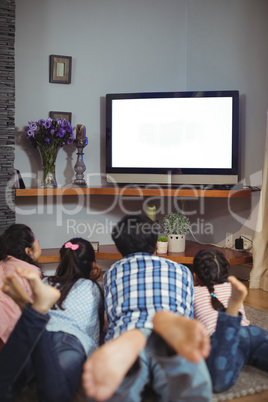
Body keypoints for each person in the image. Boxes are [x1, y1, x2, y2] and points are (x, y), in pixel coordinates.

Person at [83, 214, 212, 402]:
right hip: (169, 334)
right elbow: (187, 310)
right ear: (156, 244)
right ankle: (168, 328)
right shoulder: (181, 270)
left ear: (120, 248)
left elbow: (111, 316)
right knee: (189, 388)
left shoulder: (113, 271)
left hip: (129, 328)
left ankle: (131, 339)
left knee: (118, 390)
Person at [0, 238, 104, 402]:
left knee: (8, 381)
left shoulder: (46, 282)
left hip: (42, 333)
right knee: (55, 393)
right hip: (72, 340)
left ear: (62, 260)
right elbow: (97, 328)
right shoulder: (93, 288)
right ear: (92, 265)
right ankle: (32, 313)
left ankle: (32, 313)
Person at [191, 249, 268, 392]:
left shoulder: (192, 292)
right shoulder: (232, 287)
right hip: (250, 331)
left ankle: (229, 316)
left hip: (222, 338)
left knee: (218, 382)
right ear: (227, 274)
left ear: (195, 276)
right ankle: (231, 314)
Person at [0, 224, 42, 347]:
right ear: (28, 251)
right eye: (37, 241)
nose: (39, 243)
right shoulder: (30, 272)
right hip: (6, 335)